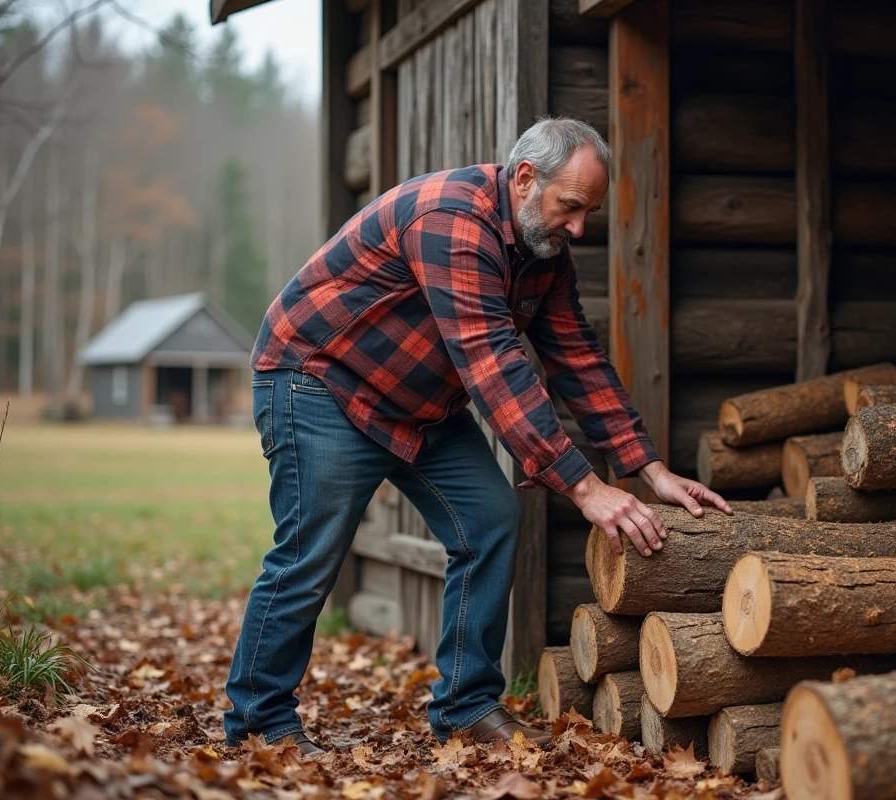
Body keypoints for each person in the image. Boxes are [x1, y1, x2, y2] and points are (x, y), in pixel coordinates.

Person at [223, 117, 732, 755]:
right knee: (310, 553)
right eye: (571, 207)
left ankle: (466, 706)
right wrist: (585, 488)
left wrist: (648, 469)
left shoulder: (545, 255)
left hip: (419, 403)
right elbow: (492, 364)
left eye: (589, 212)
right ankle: (258, 725)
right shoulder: (450, 220)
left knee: (490, 520)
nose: (579, 228)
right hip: (323, 382)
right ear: (524, 178)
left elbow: (577, 358)